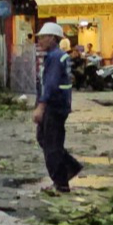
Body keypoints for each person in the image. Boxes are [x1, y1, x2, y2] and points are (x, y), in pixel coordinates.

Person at [34, 22, 82, 193]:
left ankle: (62, 180)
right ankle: (68, 169)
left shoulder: (55, 57)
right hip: (57, 106)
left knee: (52, 145)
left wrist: (41, 107)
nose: (39, 41)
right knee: (44, 139)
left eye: (42, 37)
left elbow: (51, 85)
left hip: (54, 107)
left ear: (52, 38)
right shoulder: (55, 56)